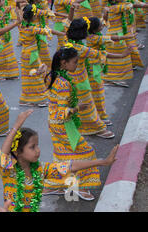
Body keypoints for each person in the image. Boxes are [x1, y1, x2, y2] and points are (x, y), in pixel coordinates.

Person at [0, 109, 119, 212]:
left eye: (37, 145)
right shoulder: (9, 170)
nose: (38, 150)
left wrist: (102, 162)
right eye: (32, 147)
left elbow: (70, 166)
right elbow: (2, 154)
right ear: (17, 152)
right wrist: (16, 126)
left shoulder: (39, 169)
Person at [43, 45, 102, 201]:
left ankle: (51, 185)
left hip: (54, 123)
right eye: (75, 62)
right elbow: (61, 112)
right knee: (86, 152)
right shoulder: (63, 84)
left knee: (63, 155)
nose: (77, 65)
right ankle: (79, 187)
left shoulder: (52, 76)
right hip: (63, 125)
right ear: (64, 63)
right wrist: (77, 108)